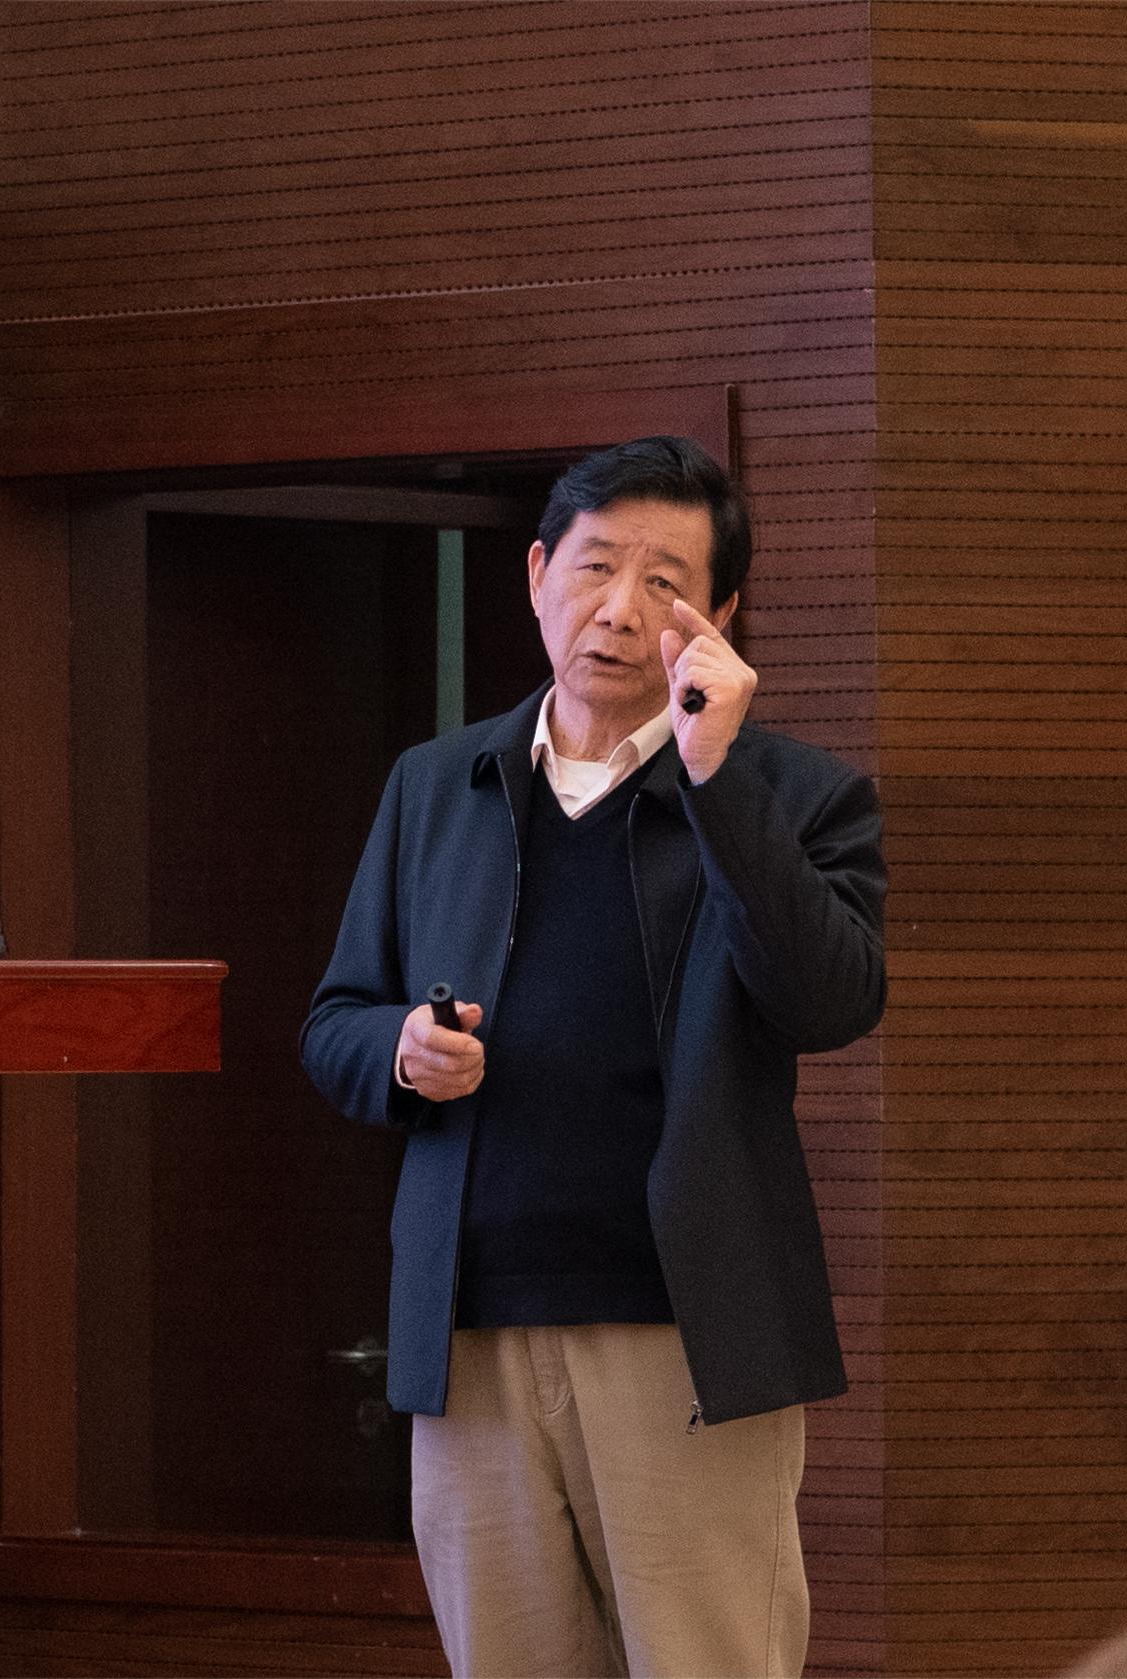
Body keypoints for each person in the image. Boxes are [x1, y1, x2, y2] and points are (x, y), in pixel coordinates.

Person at [300, 435, 886, 1679]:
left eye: (665, 582)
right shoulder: (434, 785)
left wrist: (716, 781)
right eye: (594, 566)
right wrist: (399, 1048)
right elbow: (333, 1020)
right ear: (535, 575)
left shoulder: (794, 794)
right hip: (470, 1332)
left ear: (719, 617)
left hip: (686, 1329)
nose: (619, 608)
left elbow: (829, 999)